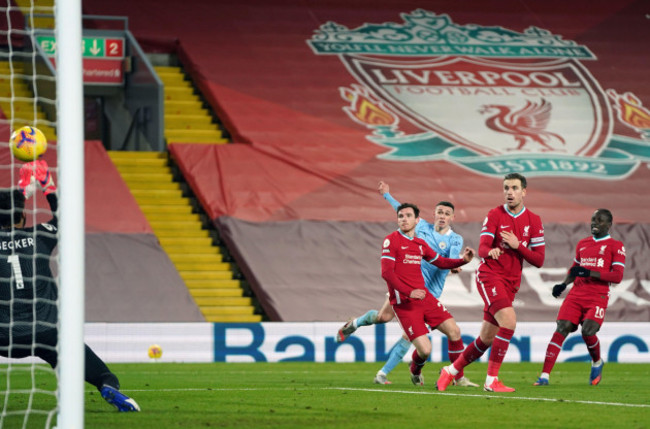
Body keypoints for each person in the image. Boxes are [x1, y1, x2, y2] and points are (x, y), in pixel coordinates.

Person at [0, 160, 140, 412]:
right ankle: (108, 385)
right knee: (74, 354)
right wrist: (45, 184)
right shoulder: (39, 235)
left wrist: (23, 190)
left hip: (4, 336)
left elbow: (7, 212)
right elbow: (65, 216)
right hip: (46, 331)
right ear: (22, 216)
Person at [336, 181, 477, 387]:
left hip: (429, 293)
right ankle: (360, 333)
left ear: (452, 218)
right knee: (385, 319)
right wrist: (387, 195)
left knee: (415, 336)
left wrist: (459, 262)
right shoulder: (420, 227)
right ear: (434, 214)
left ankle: (385, 371)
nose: (442, 216)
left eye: (447, 213)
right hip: (406, 288)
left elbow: (446, 259)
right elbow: (402, 211)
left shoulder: (455, 239)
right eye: (439, 212)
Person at [436, 172, 545, 393]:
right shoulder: (495, 214)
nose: (509, 193)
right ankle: (491, 380)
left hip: (511, 282)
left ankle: (451, 371)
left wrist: (518, 246)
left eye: (514, 188)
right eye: (506, 188)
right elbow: (483, 247)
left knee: (486, 338)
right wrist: (490, 251)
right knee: (509, 322)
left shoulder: (534, 220)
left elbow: (539, 259)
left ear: (524, 191)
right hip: (489, 276)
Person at [381, 202, 475, 385]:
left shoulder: (420, 244)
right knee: (424, 350)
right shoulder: (391, 240)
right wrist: (409, 292)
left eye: (408, 216)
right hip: (405, 300)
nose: (404, 219)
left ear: (417, 220)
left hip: (426, 296)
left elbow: (441, 262)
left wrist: (462, 261)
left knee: (454, 331)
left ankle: (458, 377)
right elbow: (386, 273)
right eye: (401, 216)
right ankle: (414, 370)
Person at [534, 209, 625, 387]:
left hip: (597, 296)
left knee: (588, 331)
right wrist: (563, 284)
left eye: (599, 221)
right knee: (562, 327)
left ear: (609, 224)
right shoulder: (583, 243)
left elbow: (617, 277)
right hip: (576, 294)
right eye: (593, 220)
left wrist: (589, 272)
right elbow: (575, 269)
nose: (594, 223)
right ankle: (544, 376)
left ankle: (597, 362)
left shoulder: (616, 246)